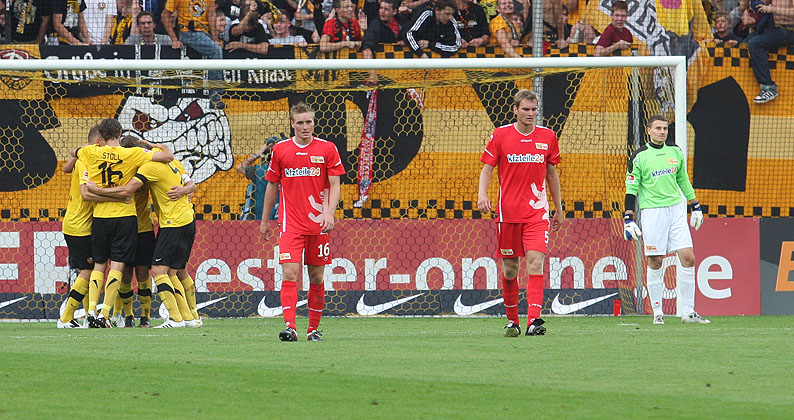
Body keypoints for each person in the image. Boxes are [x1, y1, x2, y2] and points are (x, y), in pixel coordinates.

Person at [70, 118, 174, 328]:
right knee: (119, 267)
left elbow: (74, 153)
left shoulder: (91, 152)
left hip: (103, 218)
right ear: (119, 133)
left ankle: (94, 312)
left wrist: (87, 149)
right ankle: (109, 314)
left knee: (102, 265)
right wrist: (148, 146)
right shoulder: (133, 154)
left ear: (101, 136)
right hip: (126, 218)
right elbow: (167, 156)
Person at [86, 137, 199, 328]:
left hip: (160, 223)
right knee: (172, 271)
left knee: (155, 271)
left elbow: (127, 191)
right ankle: (190, 318)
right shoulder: (172, 162)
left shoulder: (146, 169)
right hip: (181, 220)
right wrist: (185, 190)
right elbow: (192, 184)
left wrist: (97, 190)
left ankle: (172, 318)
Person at [477, 89, 563, 337]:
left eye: (534, 109)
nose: (530, 113)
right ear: (515, 110)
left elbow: (551, 174)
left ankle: (533, 320)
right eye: (526, 109)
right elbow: (487, 169)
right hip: (508, 215)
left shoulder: (547, 136)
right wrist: (482, 194)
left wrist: (558, 209)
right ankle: (513, 321)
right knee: (510, 269)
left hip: (537, 214)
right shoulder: (500, 135)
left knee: (536, 262)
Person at [259, 102, 344, 342]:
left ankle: (313, 329)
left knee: (316, 277)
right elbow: (272, 185)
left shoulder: (327, 148)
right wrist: (265, 220)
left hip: (319, 224)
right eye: (300, 122)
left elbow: (335, 185)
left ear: (314, 123)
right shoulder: (281, 150)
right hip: (290, 225)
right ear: (292, 124)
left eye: (309, 122)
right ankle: (290, 327)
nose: (305, 127)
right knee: (290, 273)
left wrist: (329, 213)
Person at [623, 115, 709, 325]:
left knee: (688, 257)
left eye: (665, 128)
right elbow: (631, 188)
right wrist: (628, 218)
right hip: (653, 212)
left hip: (676, 210)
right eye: (658, 128)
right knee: (656, 261)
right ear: (649, 130)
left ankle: (689, 312)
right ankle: (657, 312)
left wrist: (695, 205)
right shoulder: (639, 156)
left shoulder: (675, 151)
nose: (662, 132)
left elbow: (683, 180)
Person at [58, 126, 106, 328]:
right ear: (98, 143)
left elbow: (66, 168)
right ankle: (66, 317)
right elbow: (86, 194)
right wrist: (117, 196)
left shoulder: (83, 158)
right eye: (105, 143)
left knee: (87, 271)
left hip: (77, 223)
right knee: (88, 270)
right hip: (79, 226)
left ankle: (87, 315)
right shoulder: (86, 161)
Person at [162, 0, 226, 109]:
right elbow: (165, 15)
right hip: (188, 32)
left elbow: (211, 14)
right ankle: (215, 97)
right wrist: (174, 39)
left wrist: (215, 39)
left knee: (216, 49)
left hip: (205, 33)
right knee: (216, 51)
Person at [747, 0, 792, 103]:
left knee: (755, 43)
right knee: (751, 41)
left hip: (790, 30)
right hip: (775, 29)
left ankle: (768, 87)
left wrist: (772, 9)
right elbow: (757, 3)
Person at [360, 0, 406, 83]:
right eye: (381, 8)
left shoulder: (402, 21)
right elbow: (366, 48)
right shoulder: (375, 25)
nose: (382, 12)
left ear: (394, 11)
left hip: (404, 71)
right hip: (384, 73)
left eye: (386, 9)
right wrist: (372, 73)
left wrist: (406, 42)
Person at [238, 136, 280, 220]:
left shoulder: (258, 171)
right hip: (279, 216)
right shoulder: (286, 170)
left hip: (257, 216)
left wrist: (257, 154)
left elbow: (240, 168)